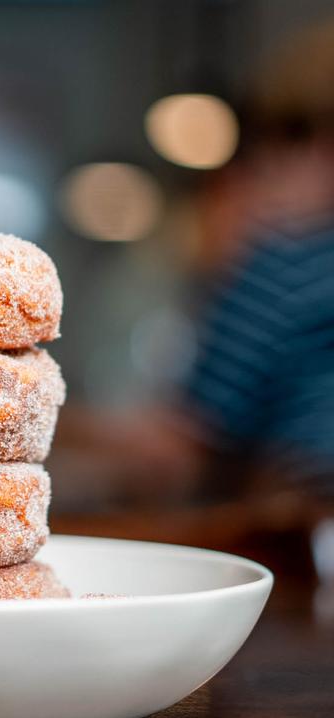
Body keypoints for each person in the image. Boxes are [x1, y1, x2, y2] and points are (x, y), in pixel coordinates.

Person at [56, 21, 334, 509]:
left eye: (276, 142)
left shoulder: (287, 263)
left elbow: (174, 456)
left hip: (307, 535)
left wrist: (20, 409)